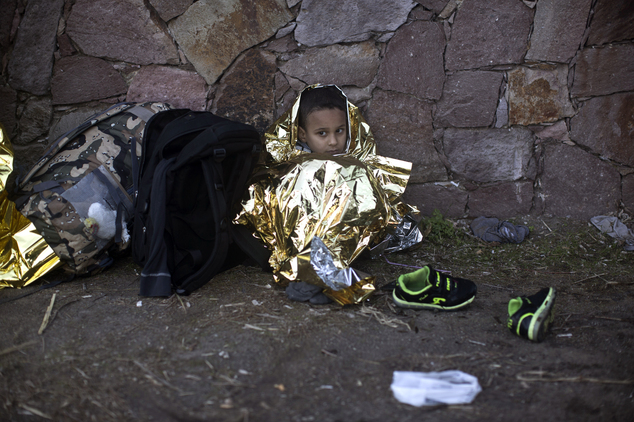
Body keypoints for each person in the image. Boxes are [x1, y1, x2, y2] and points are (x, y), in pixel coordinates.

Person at [234, 84, 421, 305]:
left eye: (339, 131)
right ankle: (313, 269)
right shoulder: (292, 166)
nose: (333, 142)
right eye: (322, 133)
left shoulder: (351, 164)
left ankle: (318, 272)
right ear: (302, 133)